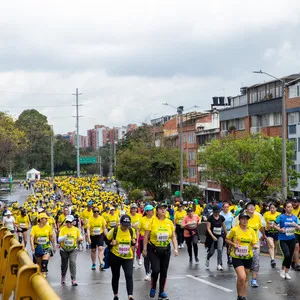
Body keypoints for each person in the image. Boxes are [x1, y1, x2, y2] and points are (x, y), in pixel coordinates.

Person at [143, 202, 178, 300]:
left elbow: (173, 236)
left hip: (165, 250)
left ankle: (161, 292)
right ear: (157, 211)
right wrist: (144, 249)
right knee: (156, 270)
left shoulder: (169, 222)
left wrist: (175, 248)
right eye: (161, 208)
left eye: (164, 208)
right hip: (153, 249)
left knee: (164, 271)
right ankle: (153, 287)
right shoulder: (152, 221)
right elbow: (146, 236)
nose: (163, 210)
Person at [225, 211, 258, 300]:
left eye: (246, 219)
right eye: (243, 219)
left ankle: (243, 296)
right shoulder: (234, 229)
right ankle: (239, 295)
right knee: (241, 277)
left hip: (248, 256)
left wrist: (255, 245)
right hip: (236, 256)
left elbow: (254, 242)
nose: (245, 221)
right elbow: (227, 239)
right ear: (239, 220)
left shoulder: (251, 231)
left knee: (246, 277)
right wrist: (233, 244)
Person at [106, 214, 136, 300]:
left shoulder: (131, 230)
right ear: (120, 223)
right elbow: (106, 240)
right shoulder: (114, 230)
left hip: (128, 257)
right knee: (116, 276)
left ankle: (130, 296)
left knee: (129, 275)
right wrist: (111, 243)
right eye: (124, 225)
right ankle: (115, 295)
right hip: (115, 256)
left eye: (127, 225)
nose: (125, 227)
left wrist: (134, 242)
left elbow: (133, 242)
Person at [274, 201, 300, 279]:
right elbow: (274, 225)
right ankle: (282, 270)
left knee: (290, 256)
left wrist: (296, 226)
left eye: (291, 207)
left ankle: (287, 272)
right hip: (283, 239)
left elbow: (299, 227)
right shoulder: (281, 217)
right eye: (288, 207)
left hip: (292, 239)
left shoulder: (295, 217)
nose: (290, 208)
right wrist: (280, 229)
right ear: (285, 208)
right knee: (287, 255)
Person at [58, 215, 83, 286]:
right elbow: (59, 240)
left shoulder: (76, 229)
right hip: (64, 250)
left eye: (70, 222)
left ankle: (73, 279)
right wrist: (66, 236)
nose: (68, 223)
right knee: (64, 265)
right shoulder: (63, 229)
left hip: (73, 249)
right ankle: (63, 276)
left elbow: (80, 237)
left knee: (72, 262)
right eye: (67, 222)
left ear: (73, 222)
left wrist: (81, 238)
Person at [30, 213, 56, 277]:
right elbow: (31, 238)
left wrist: (54, 246)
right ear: (41, 219)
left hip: (47, 247)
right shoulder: (34, 228)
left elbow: (51, 237)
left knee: (45, 261)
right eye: (45, 219)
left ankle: (44, 272)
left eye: (47, 219)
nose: (47, 220)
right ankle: (41, 272)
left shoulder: (49, 227)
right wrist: (32, 246)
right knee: (39, 264)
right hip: (38, 247)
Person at [205, 205, 227, 270]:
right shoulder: (210, 218)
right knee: (212, 252)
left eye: (218, 212)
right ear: (213, 212)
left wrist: (227, 235)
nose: (217, 214)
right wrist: (213, 236)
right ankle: (208, 257)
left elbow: (224, 227)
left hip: (220, 235)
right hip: (212, 236)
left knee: (220, 249)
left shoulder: (221, 218)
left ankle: (219, 264)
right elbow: (208, 228)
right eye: (215, 212)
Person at [87, 206, 107, 270]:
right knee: (93, 250)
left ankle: (101, 263)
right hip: (93, 235)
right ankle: (93, 264)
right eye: (94, 211)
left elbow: (104, 228)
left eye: (97, 211)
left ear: (99, 212)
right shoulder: (90, 219)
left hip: (100, 235)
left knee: (100, 248)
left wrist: (107, 236)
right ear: (93, 212)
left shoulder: (101, 218)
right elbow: (88, 229)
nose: (96, 213)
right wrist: (89, 238)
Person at [138, 204, 154, 280]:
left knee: (153, 257)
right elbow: (138, 230)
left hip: (153, 240)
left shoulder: (155, 219)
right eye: (151, 210)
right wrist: (137, 241)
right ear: (147, 212)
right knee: (146, 257)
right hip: (143, 240)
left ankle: (152, 270)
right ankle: (147, 272)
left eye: (153, 210)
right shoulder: (142, 219)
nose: (152, 211)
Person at [263, 202, 280, 268]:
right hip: (268, 232)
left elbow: (281, 223)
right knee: (271, 245)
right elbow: (263, 224)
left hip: (277, 232)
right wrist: (266, 229)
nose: (272, 209)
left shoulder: (279, 215)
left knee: (275, 247)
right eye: (271, 208)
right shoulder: (266, 214)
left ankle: (273, 259)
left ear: (276, 208)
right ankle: (272, 259)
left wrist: (276, 226)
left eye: (273, 208)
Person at [220, 201, 234, 266]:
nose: (226, 208)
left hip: (229, 231)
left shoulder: (231, 214)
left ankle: (229, 259)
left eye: (227, 207)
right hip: (222, 232)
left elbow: (233, 223)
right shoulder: (220, 214)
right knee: (221, 247)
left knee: (229, 247)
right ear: (222, 208)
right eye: (225, 207)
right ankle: (220, 260)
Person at [291, 197, 300, 270]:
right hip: (293, 232)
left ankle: (294, 261)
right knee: (296, 247)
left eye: (295, 202)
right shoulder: (290, 210)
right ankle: (297, 264)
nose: (294, 203)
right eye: (293, 202)